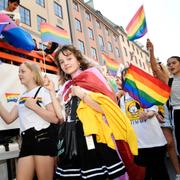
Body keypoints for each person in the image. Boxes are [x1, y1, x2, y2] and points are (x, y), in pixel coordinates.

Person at [44, 45, 138, 179]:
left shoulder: (92, 76)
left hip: (94, 135)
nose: (65, 63)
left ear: (78, 60)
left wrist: (83, 96)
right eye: (62, 62)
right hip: (73, 138)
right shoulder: (65, 86)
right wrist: (52, 91)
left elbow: (107, 109)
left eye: (69, 58)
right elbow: (61, 117)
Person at [0, 61, 59, 180]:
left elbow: (55, 118)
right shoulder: (22, 96)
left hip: (42, 139)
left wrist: (35, 107)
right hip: (26, 141)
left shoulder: (44, 91)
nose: (19, 74)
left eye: (23, 71)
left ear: (33, 73)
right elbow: (9, 119)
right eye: (18, 72)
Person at [120, 67, 170, 180]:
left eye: (129, 75)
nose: (127, 78)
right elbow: (124, 119)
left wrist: (148, 114)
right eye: (125, 76)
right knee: (145, 174)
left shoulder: (145, 93)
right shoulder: (122, 99)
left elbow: (154, 109)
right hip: (139, 145)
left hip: (155, 142)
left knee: (160, 173)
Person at [147, 39, 180, 179]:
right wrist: (151, 51)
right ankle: (178, 173)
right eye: (169, 64)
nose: (170, 65)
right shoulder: (169, 80)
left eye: (173, 63)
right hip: (177, 113)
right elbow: (155, 68)